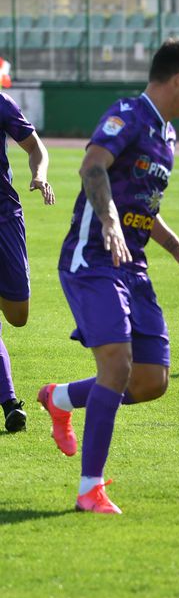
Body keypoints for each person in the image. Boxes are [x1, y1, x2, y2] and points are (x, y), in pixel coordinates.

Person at [38, 38, 179, 515]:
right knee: (116, 367)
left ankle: (59, 398)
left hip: (132, 266)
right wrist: (109, 222)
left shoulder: (167, 135)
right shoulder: (128, 114)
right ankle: (89, 490)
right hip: (93, 257)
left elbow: (144, 206)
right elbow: (93, 167)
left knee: (149, 382)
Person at [0, 92, 55, 432]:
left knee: (18, 316)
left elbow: (36, 148)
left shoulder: (2, 104)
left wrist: (40, 174)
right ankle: (9, 402)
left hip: (5, 218)